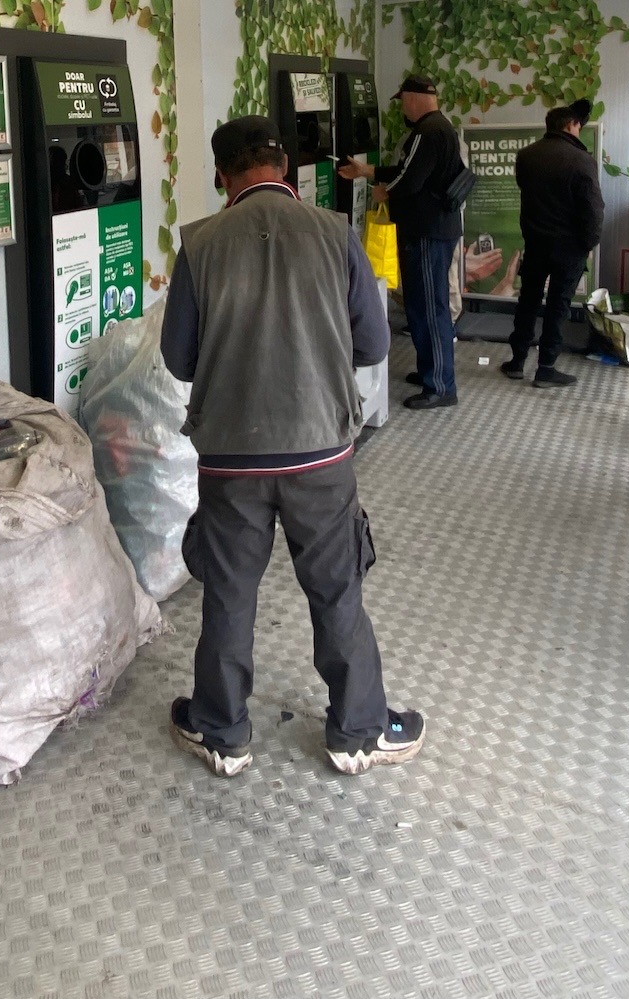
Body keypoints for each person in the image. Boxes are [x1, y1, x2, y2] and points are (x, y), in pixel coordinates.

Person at [161, 116, 425, 778]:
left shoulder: (199, 243)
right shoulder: (334, 233)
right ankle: (358, 730)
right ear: (283, 167)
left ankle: (222, 730)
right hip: (321, 453)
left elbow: (178, 357)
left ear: (222, 176)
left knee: (229, 590)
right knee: (336, 588)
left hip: (230, 455)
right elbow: (371, 344)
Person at [340, 74, 465, 410]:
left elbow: (409, 180)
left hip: (426, 232)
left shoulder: (427, 131)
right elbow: (406, 169)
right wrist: (368, 172)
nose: (401, 109)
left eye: (401, 102)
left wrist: (384, 192)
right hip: (435, 230)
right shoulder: (439, 128)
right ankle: (432, 371)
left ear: (412, 99)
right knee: (427, 305)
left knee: (428, 308)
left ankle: (439, 385)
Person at [502, 104, 604, 387]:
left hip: (535, 242)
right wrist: (588, 242)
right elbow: (593, 209)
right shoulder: (582, 160)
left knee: (528, 301)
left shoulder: (527, 156)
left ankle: (517, 361)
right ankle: (546, 367)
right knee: (558, 305)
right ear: (571, 124)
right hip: (569, 247)